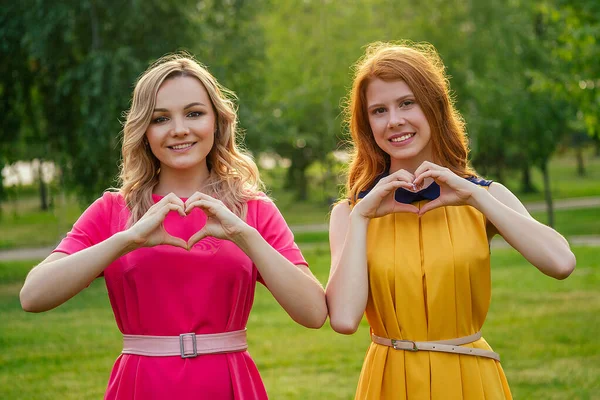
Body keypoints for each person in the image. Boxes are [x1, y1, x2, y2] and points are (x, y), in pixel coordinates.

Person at [20, 53, 327, 399]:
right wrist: (127, 239)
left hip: (228, 382)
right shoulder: (112, 210)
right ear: (144, 130)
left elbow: (314, 313)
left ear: (217, 121)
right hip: (141, 383)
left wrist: (245, 235)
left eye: (194, 113)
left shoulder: (252, 210)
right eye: (160, 118)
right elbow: (32, 295)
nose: (179, 129)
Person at [325, 41, 576, 400]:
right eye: (379, 110)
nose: (394, 120)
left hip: (470, 378)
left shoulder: (483, 195)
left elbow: (562, 262)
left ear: (434, 106)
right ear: (368, 125)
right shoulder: (350, 213)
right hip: (388, 382)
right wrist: (363, 215)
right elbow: (345, 320)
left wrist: (475, 196)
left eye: (406, 103)